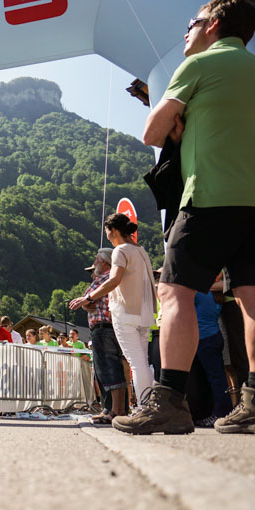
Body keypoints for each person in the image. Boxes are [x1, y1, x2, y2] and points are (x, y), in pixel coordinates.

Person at [128, 0, 255, 435]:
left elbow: (152, 132)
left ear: (213, 24)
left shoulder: (199, 65)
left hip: (209, 196)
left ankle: (169, 402)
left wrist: (179, 127)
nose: (187, 31)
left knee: (174, 292)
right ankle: (253, 402)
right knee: (251, 299)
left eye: (192, 22)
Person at [71, 214, 157, 419]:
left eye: (107, 233)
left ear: (114, 231)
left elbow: (114, 279)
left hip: (126, 312)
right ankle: (147, 406)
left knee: (135, 363)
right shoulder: (141, 251)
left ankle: (143, 409)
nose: (108, 237)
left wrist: (88, 297)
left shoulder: (120, 250)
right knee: (142, 363)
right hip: (144, 312)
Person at [70, 248, 127, 424]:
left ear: (104, 262)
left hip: (103, 328)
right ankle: (116, 409)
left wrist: (86, 301)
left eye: (96, 260)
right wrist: (87, 302)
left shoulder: (105, 277)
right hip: (112, 327)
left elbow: (87, 297)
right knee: (113, 368)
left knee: (109, 370)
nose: (94, 264)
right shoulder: (113, 277)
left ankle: (115, 411)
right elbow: (89, 301)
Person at [191, 291, 234, 426]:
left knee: (215, 379)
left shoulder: (199, 294)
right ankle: (218, 412)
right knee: (216, 378)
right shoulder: (215, 296)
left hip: (204, 339)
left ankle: (222, 413)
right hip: (213, 336)